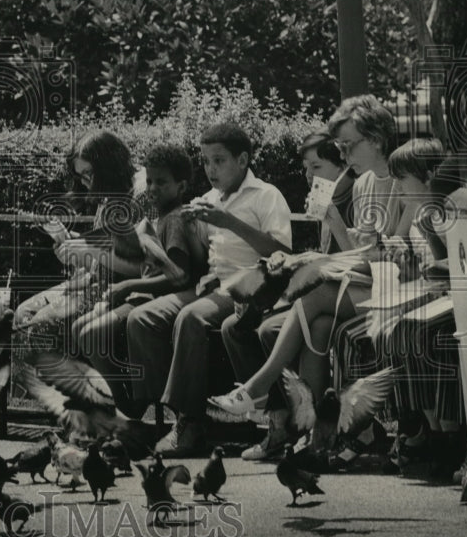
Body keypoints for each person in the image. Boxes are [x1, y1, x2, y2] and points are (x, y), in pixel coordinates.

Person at [208, 96, 409, 442]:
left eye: (348, 146)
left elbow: (391, 265)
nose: (343, 157)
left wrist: (331, 259)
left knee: (313, 288)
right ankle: (317, 438)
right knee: (316, 325)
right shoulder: (362, 185)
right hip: (366, 286)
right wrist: (335, 227)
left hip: (399, 288)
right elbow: (360, 258)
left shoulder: (406, 181)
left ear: (375, 140)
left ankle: (258, 386)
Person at [126, 122, 292, 457]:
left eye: (218, 161)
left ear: (242, 160)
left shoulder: (266, 195)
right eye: (205, 161)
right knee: (141, 319)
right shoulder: (208, 199)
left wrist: (228, 222)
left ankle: (190, 424)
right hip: (212, 287)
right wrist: (179, 230)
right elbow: (199, 259)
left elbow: (283, 255)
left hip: (252, 288)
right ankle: (176, 413)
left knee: (190, 318)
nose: (210, 169)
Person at [219, 130, 354, 460]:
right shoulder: (331, 200)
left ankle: (268, 401)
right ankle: (297, 430)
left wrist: (323, 235)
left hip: (349, 291)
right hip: (327, 295)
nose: (309, 177)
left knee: (270, 326)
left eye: (316, 167)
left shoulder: (349, 197)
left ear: (342, 165)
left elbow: (353, 258)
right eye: (306, 168)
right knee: (251, 326)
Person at [70, 143, 206, 413]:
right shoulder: (157, 219)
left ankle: (134, 402)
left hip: (155, 297)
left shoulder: (176, 220)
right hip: (142, 295)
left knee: (91, 333)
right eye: (150, 182)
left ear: (181, 186)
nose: (153, 189)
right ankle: (125, 401)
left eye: (162, 183)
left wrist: (128, 285)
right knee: (80, 330)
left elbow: (178, 277)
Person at [378, 138, 465, 479]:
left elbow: (453, 266)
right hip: (435, 300)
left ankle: (451, 436)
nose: (397, 189)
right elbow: (423, 272)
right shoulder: (419, 218)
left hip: (459, 304)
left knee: (429, 337)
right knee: (398, 330)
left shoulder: (448, 213)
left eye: (402, 180)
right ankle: (427, 427)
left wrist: (429, 234)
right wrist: (405, 264)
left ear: (429, 176)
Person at [13, 130, 144, 336]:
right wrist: (71, 242)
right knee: (23, 313)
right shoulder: (109, 192)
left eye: (88, 174)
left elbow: (143, 267)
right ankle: (30, 369)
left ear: (109, 166)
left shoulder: (141, 194)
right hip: (89, 284)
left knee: (38, 325)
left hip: (116, 292)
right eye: (79, 175)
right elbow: (106, 244)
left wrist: (89, 251)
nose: (84, 182)